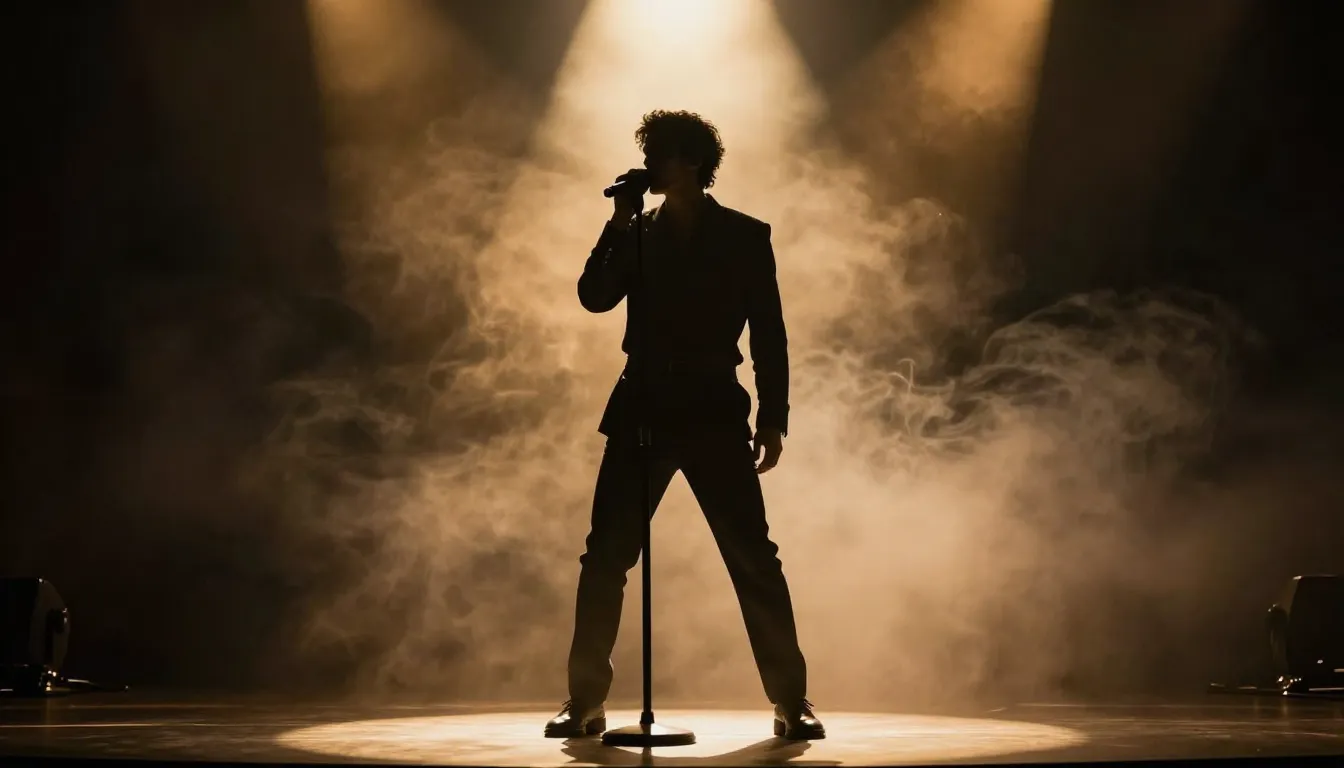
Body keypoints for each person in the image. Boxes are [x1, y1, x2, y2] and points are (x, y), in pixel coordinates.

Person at [544, 110, 824, 741]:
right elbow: (594, 296)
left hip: (711, 407)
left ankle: (791, 700)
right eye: (649, 155)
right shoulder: (637, 232)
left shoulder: (746, 236)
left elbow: (769, 334)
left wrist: (773, 418)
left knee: (752, 556)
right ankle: (583, 701)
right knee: (605, 556)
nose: (650, 166)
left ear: (693, 161)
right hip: (642, 403)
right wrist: (617, 223)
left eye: (661, 155)